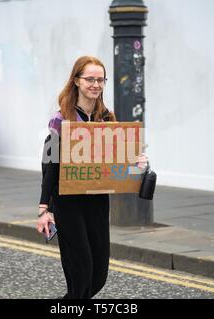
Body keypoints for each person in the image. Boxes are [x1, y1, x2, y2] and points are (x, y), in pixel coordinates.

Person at [37, 56, 148, 299]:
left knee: (98, 276)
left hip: (97, 201)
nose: (96, 84)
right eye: (90, 79)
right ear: (76, 80)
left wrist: (136, 164)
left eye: (100, 79)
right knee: (82, 270)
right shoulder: (61, 119)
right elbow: (49, 165)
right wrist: (44, 207)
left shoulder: (107, 118)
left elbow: (116, 162)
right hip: (67, 202)